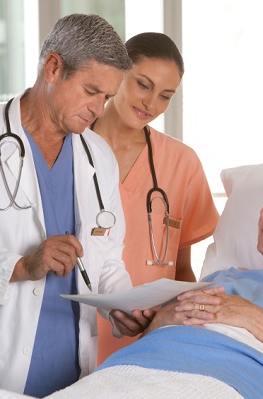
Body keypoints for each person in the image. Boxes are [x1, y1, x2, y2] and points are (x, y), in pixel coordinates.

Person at [33, 165, 263, 399]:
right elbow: (156, 338)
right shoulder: (223, 279)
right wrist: (152, 320)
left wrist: (251, 318)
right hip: (126, 375)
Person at [0, 14, 152, 397]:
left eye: (107, 97)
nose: (99, 109)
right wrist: (21, 265)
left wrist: (122, 305)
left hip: (74, 374)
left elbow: (107, 256)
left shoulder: (98, 156)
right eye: (91, 90)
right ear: (53, 67)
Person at [90, 32, 219, 363]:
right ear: (117, 73)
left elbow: (182, 269)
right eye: (142, 85)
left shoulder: (182, 163)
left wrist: (183, 332)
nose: (151, 104)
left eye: (165, 96)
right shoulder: (71, 147)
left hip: (146, 343)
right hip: (72, 332)